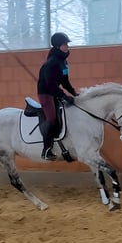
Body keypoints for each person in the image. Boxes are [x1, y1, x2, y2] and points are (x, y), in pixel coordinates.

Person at [37, 32, 79, 161]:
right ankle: (46, 149)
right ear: (57, 46)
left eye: (67, 44)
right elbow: (50, 84)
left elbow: (65, 81)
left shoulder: (63, 62)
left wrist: (74, 93)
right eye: (64, 44)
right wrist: (64, 96)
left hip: (55, 92)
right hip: (46, 93)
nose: (67, 47)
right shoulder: (51, 63)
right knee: (52, 118)